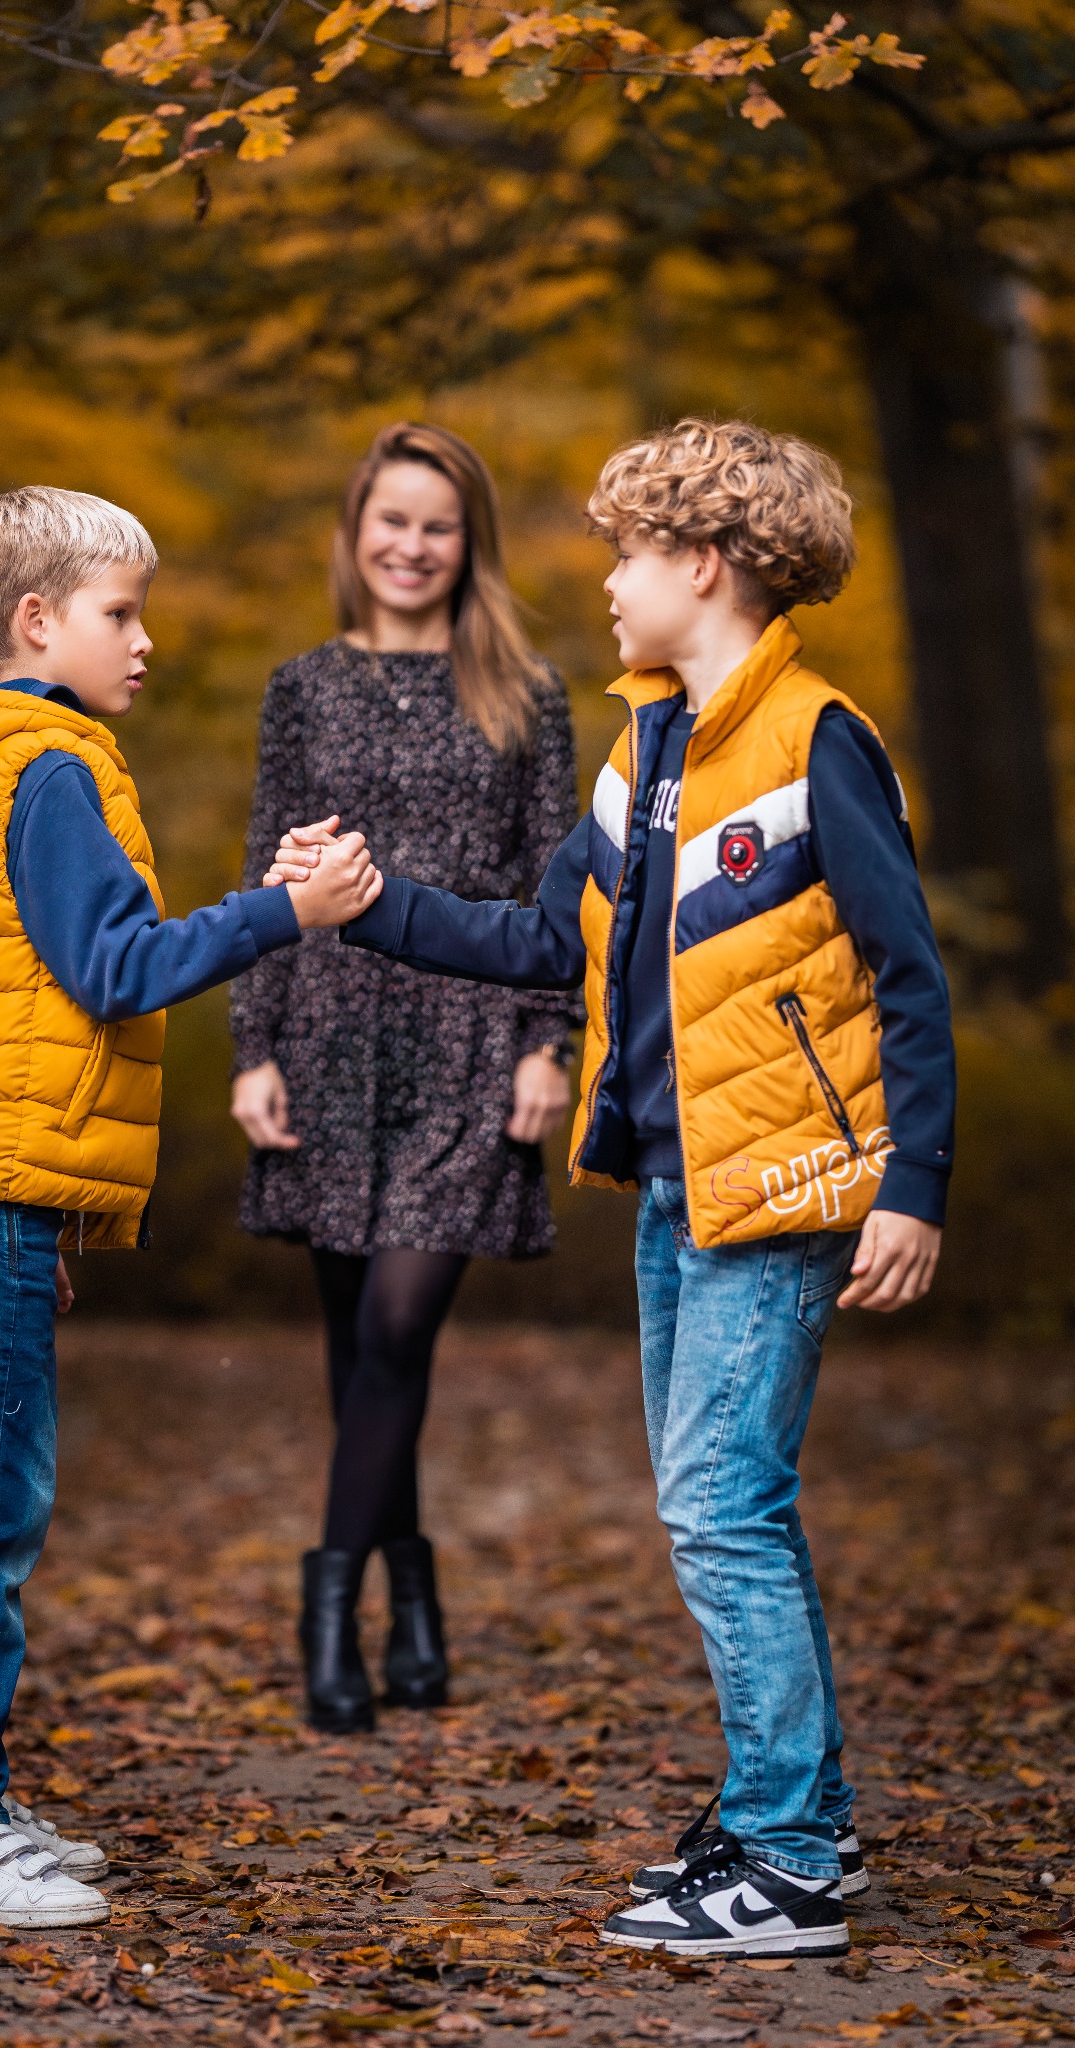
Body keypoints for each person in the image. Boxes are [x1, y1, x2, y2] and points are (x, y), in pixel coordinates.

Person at [266, 420, 954, 1959]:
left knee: (725, 1512)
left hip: (781, 1186)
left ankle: (784, 1855)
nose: (611, 588)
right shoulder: (648, 755)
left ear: (701, 566)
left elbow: (909, 976)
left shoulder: (812, 744)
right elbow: (542, 942)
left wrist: (914, 1183)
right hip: (674, 1190)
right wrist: (376, 909)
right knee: (713, 1507)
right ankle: (801, 1814)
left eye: (628, 558)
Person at [0, 486, 379, 1929]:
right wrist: (287, 914)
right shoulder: (51, 765)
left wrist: (46, 1219)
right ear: (37, 622)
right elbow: (115, 969)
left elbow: (22, 992)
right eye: (120, 614)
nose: (145, 643)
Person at [230, 422, 584, 1734]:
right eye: (392, 519)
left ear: (467, 541)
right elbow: (273, 871)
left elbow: (561, 888)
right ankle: (412, 1602)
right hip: (326, 1031)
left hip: (472, 1034)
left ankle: (328, 1614)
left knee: (394, 1328)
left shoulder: (525, 692)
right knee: (355, 1346)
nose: (412, 546)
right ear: (356, 528)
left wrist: (553, 1042)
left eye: (438, 525)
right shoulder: (300, 688)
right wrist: (252, 1046)